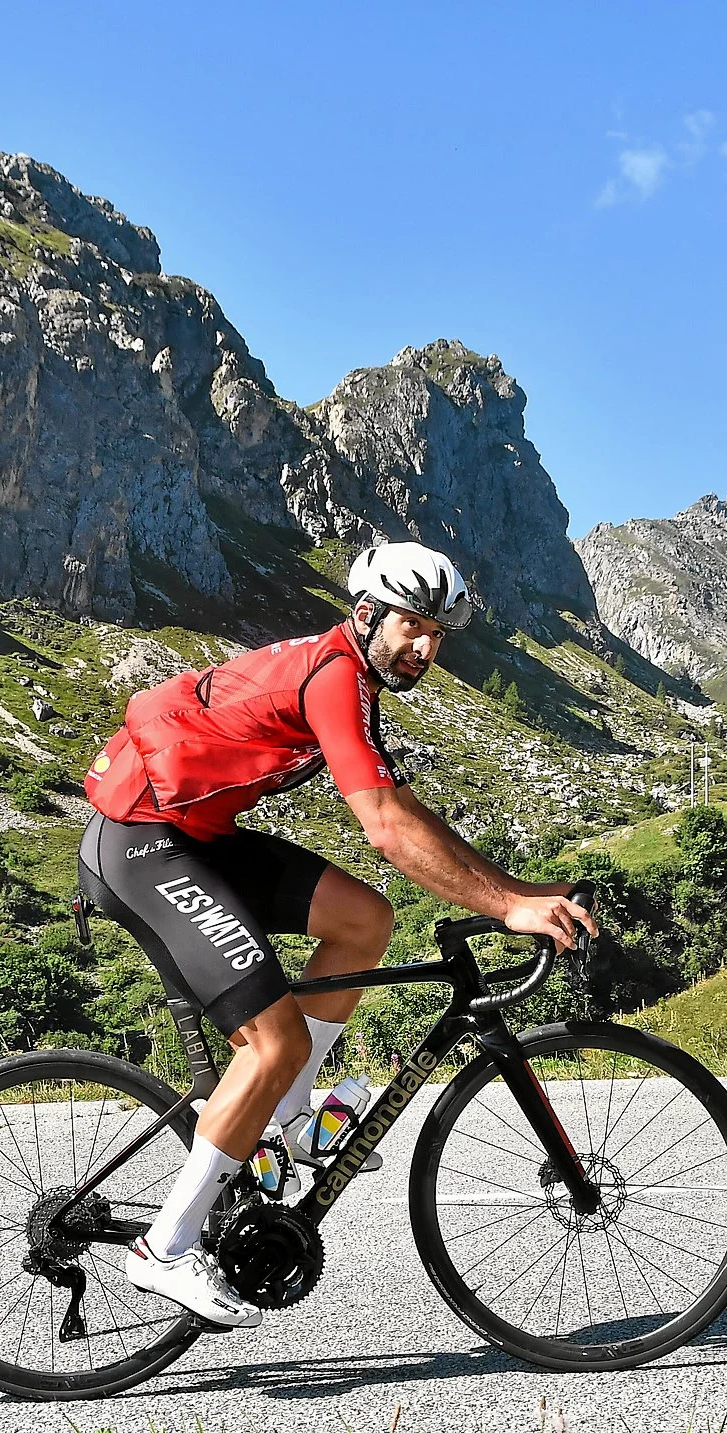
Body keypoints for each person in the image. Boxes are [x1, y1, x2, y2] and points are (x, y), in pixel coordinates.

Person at [79, 541, 598, 1328]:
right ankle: (167, 1244)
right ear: (367, 613)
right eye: (413, 625)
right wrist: (504, 910)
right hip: (141, 844)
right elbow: (385, 829)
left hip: (196, 836)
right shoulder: (334, 678)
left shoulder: (348, 678)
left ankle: (286, 1123)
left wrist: (516, 891)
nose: (425, 648)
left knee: (365, 919)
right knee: (274, 1042)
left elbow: (406, 808)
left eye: (438, 634)